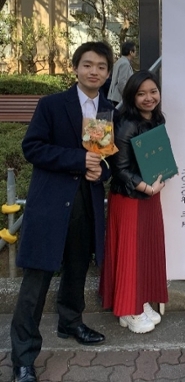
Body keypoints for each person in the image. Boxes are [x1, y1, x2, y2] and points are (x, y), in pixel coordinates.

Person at [10, 42, 114, 382]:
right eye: (87, 64)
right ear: (75, 68)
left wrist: (103, 171)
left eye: (101, 66)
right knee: (36, 279)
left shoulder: (107, 109)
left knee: (76, 268)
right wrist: (77, 160)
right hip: (52, 203)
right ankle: (23, 356)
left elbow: (108, 157)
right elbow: (32, 147)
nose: (94, 71)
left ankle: (71, 323)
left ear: (108, 73)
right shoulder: (52, 105)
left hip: (88, 203)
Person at [100, 71, 168, 334]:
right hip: (130, 198)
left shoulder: (156, 119)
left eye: (153, 91)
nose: (148, 98)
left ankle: (139, 300)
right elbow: (120, 168)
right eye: (141, 93)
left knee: (144, 250)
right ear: (131, 96)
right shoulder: (127, 124)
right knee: (129, 252)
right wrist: (147, 187)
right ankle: (127, 309)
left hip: (150, 194)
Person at [107, 41, 136, 106]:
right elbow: (121, 82)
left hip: (114, 97)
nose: (136, 53)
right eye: (135, 51)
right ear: (131, 52)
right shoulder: (125, 63)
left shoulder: (119, 61)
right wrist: (127, 96)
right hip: (118, 98)